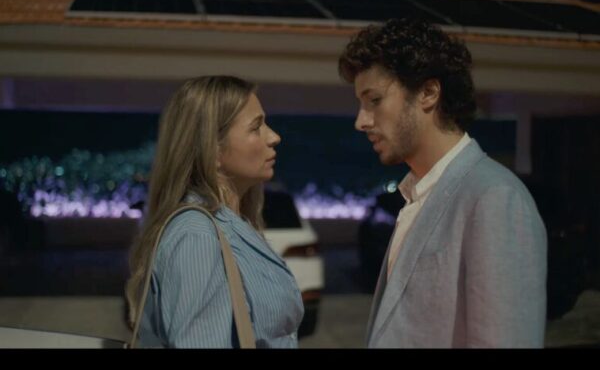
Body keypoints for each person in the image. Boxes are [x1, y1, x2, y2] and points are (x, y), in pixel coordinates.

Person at [338, 18, 547, 348]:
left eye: (374, 100)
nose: (360, 121)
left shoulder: (494, 197)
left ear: (428, 93)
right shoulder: (418, 195)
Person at [125, 75, 303, 348]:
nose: (274, 137)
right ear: (213, 150)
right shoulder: (197, 235)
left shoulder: (228, 224)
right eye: (256, 127)